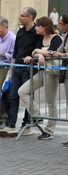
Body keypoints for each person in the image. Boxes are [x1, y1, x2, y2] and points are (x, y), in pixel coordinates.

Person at [0, 7, 42, 138]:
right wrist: (11, 70)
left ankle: (26, 125)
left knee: (27, 96)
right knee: (13, 96)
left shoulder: (36, 33)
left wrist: (32, 58)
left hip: (29, 69)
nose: (19, 17)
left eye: (22, 15)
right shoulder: (20, 32)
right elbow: (15, 52)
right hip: (17, 67)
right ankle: (10, 124)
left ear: (30, 17)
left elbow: (38, 50)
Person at [18, 17, 62, 140]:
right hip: (42, 72)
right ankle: (37, 115)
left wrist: (39, 52)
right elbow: (34, 53)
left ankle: (49, 130)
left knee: (51, 102)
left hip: (51, 73)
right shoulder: (41, 38)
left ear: (44, 26)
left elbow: (52, 53)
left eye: (37, 26)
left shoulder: (56, 38)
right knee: (22, 91)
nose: (36, 28)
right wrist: (39, 54)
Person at [53, 14, 68, 146]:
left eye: (60, 23)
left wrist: (62, 55)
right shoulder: (66, 36)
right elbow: (58, 50)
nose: (59, 24)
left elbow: (62, 53)